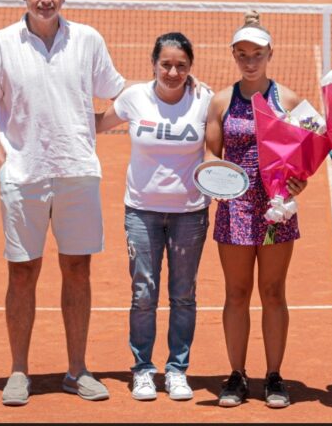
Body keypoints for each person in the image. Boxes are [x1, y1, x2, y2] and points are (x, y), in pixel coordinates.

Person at [0, 0, 123, 405]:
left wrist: (86, 129)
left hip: (78, 175)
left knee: (78, 270)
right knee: (23, 273)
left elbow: (119, 96)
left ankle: (77, 370)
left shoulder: (88, 40)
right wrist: (2, 165)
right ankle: (19, 371)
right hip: (24, 178)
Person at [95, 33, 212, 401]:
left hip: (189, 214)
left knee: (183, 294)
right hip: (141, 213)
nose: (173, 72)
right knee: (143, 293)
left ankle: (177, 371)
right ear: (154, 64)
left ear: (191, 68)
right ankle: (143, 369)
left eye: (181, 65)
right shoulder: (134, 98)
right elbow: (98, 124)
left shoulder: (204, 99)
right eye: (166, 64)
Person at [204, 11, 307, 409]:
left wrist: (300, 180)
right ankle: (236, 375)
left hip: (277, 208)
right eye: (242, 54)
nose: (250, 61)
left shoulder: (290, 100)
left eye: (257, 54)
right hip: (236, 210)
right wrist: (217, 184)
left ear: (269, 53)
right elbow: (211, 159)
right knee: (237, 292)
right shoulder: (220, 101)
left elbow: (310, 150)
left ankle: (275, 376)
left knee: (273, 291)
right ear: (234, 55)